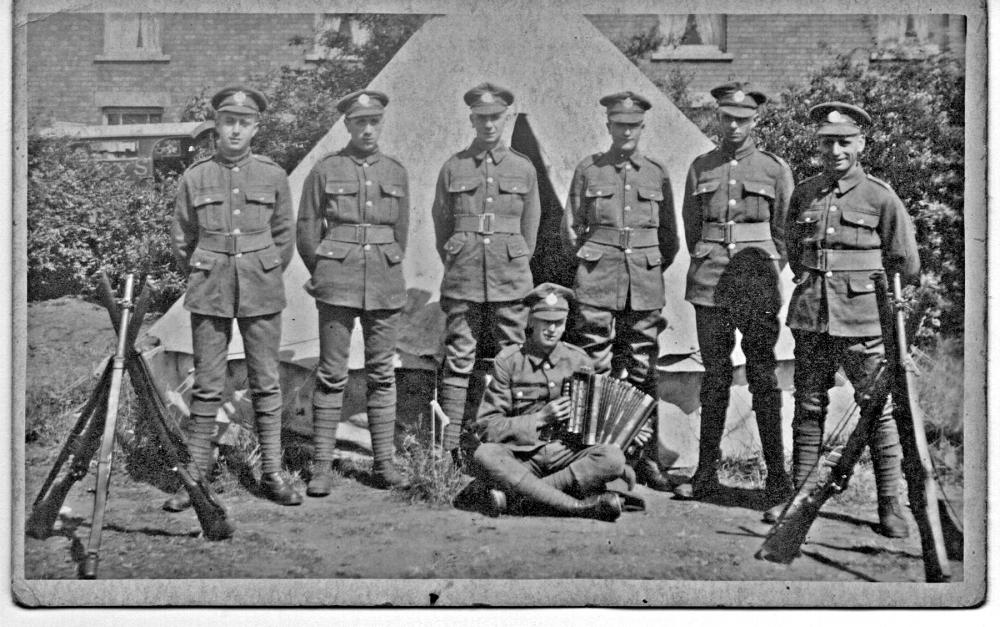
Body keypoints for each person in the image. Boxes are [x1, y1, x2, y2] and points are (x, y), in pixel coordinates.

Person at [764, 102, 920, 537]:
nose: (835, 150)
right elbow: (794, 246)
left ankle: (892, 504)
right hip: (812, 315)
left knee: (877, 411)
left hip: (864, 321)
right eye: (827, 142)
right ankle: (799, 500)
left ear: (861, 144)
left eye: (844, 142)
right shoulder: (806, 192)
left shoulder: (880, 196)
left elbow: (905, 263)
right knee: (809, 406)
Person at [167, 85, 301, 509]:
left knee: (266, 382)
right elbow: (181, 239)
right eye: (229, 122)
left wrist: (258, 267)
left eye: (244, 123)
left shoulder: (273, 174)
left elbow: (284, 237)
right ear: (217, 127)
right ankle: (196, 475)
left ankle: (272, 473)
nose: (236, 130)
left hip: (261, 287)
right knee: (207, 384)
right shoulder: (196, 177)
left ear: (255, 128)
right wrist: (212, 264)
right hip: (210, 286)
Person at [673, 83, 794, 503]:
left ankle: (777, 478)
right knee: (715, 377)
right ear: (718, 118)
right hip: (710, 283)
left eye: (742, 119)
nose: (734, 126)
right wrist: (709, 259)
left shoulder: (774, 169)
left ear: (755, 120)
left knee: (763, 375)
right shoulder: (701, 166)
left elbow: (785, 234)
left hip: (757, 284)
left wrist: (765, 272)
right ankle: (706, 474)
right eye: (727, 117)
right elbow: (691, 229)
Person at [561, 91, 679, 491]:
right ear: (608, 126)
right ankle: (590, 455)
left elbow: (670, 239)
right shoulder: (589, 170)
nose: (626, 131)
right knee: (593, 364)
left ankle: (644, 458)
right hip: (597, 280)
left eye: (633, 125)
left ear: (642, 128)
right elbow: (569, 231)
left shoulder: (656, 172)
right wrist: (594, 259)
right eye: (619, 124)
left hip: (643, 282)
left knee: (644, 368)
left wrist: (645, 264)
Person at [297, 90, 411, 493]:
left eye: (374, 122)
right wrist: (326, 271)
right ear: (347, 125)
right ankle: (321, 468)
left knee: (383, 373)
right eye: (359, 122)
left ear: (382, 124)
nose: (367, 129)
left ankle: (384, 464)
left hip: (384, 280)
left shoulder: (396, 171)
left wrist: (383, 263)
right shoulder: (326, 170)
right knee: (332, 374)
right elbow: (307, 231)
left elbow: (401, 234)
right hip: (337, 282)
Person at [432, 82, 541, 460]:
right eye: (482, 117)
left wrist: (515, 260)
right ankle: (449, 448)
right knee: (459, 356)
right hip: (463, 275)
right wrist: (459, 255)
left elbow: (531, 228)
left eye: (496, 117)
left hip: (510, 278)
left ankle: (515, 443)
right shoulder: (454, 166)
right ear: (472, 119)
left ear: (507, 118)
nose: (489, 124)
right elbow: (441, 224)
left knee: (511, 358)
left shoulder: (523, 168)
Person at [464, 283, 633, 521]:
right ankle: (579, 507)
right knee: (486, 455)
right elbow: (488, 427)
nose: (552, 329)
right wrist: (540, 418)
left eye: (559, 323)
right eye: (546, 321)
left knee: (613, 458)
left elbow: (593, 423)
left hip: (564, 454)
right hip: (523, 456)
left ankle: (519, 499)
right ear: (531, 322)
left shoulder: (579, 360)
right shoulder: (509, 361)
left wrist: (624, 441)